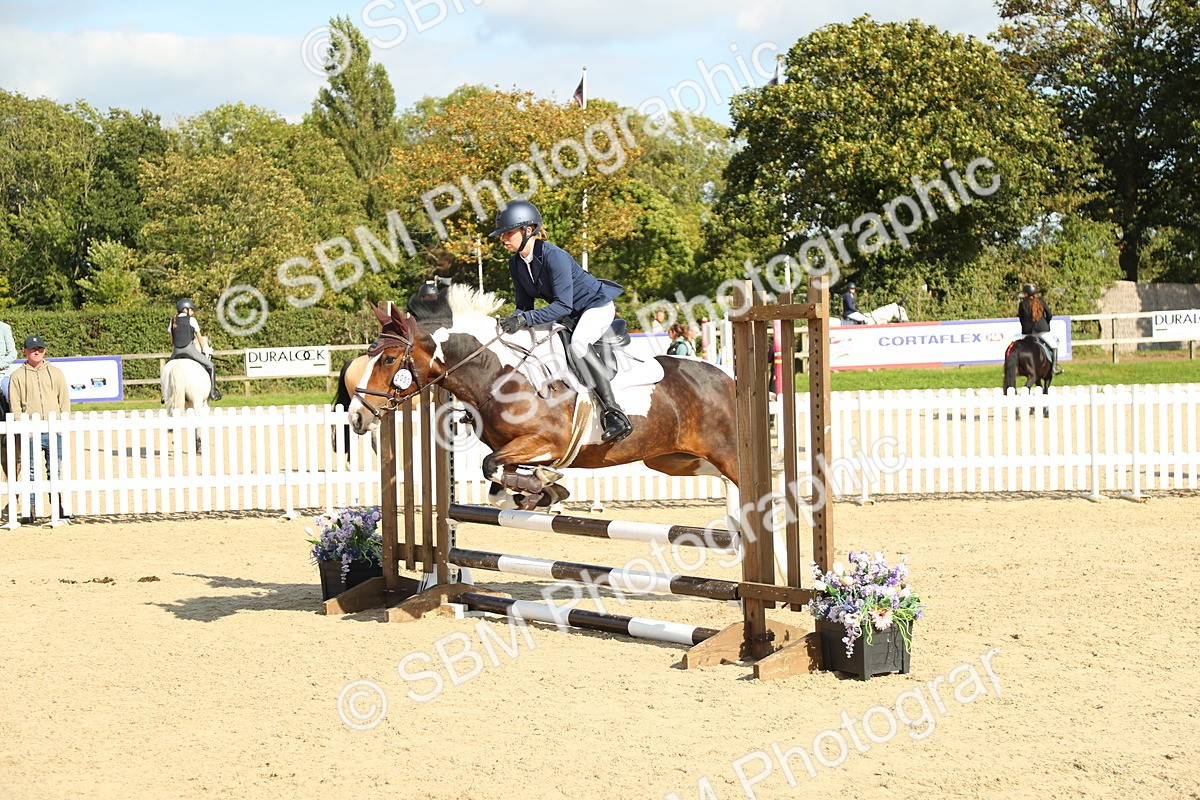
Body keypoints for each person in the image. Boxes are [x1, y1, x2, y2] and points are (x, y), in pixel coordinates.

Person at [489, 199, 633, 444]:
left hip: (594, 307)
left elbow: (563, 305)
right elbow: (524, 305)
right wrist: (509, 323)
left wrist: (525, 319)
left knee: (578, 344)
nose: (503, 239)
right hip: (568, 314)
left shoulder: (554, 256)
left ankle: (614, 413)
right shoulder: (516, 263)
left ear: (528, 230)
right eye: (502, 234)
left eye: (508, 233)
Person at [8, 335, 71, 522]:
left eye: (40, 349)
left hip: (54, 430)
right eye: (33, 349)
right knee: (31, 472)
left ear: (45, 351)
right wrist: (23, 427)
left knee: (56, 471)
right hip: (30, 431)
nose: (37, 352)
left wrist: (62, 423)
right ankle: (31, 509)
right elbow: (15, 406)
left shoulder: (56, 373)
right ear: (24, 351)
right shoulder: (17, 376)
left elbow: (64, 400)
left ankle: (58, 507)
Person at [168, 299, 222, 401]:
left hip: (176, 351)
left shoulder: (172, 321)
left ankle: (165, 394)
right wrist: (204, 350)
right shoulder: (192, 320)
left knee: (167, 369)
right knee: (211, 366)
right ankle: (212, 392)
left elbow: (172, 340)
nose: (192, 312)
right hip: (189, 349)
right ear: (185, 309)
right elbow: (200, 338)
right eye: (191, 310)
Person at [1017, 283, 1063, 374]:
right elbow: (1049, 314)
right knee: (1054, 346)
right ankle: (1054, 368)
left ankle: (1019, 367)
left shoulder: (1022, 304)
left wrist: (1026, 328)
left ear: (1026, 293)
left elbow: (1021, 319)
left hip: (1028, 332)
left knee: (1019, 349)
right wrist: (1046, 323)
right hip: (1041, 331)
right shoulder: (1041, 301)